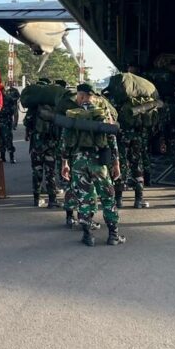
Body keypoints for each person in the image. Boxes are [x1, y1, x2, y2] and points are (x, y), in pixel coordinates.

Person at [60, 83, 124, 247]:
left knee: (84, 198)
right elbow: (112, 140)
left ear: (80, 96)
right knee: (108, 197)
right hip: (99, 163)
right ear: (92, 96)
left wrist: (64, 163)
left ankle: (88, 236)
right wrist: (116, 163)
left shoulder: (72, 115)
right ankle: (113, 235)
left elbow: (65, 143)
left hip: (79, 162)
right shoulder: (102, 114)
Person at [0, 86, 20, 164]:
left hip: (6, 121)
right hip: (0, 122)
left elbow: (15, 111)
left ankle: (11, 157)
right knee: (1, 140)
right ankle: (2, 156)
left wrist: (15, 123)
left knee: (8, 139)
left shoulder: (8, 98)